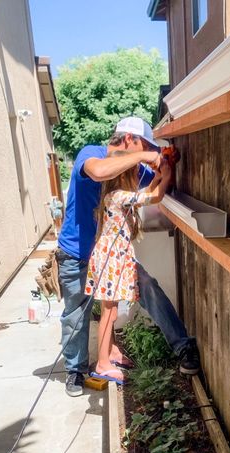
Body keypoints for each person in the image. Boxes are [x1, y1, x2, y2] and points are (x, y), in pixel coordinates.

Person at [57, 116, 199, 397]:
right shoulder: (91, 154)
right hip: (76, 253)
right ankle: (75, 370)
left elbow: (155, 188)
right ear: (128, 140)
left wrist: (165, 161)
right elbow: (100, 172)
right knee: (77, 313)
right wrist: (148, 155)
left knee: (147, 287)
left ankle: (182, 346)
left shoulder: (131, 169)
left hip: (115, 257)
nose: (145, 154)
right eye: (143, 145)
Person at [85, 152, 172, 384]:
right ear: (124, 176)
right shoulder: (117, 197)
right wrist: (168, 172)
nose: (137, 176)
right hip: (110, 260)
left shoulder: (118, 196)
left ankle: (110, 353)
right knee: (109, 312)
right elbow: (154, 196)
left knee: (109, 311)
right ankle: (103, 363)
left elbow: (145, 193)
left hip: (112, 258)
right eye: (134, 172)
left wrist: (157, 175)